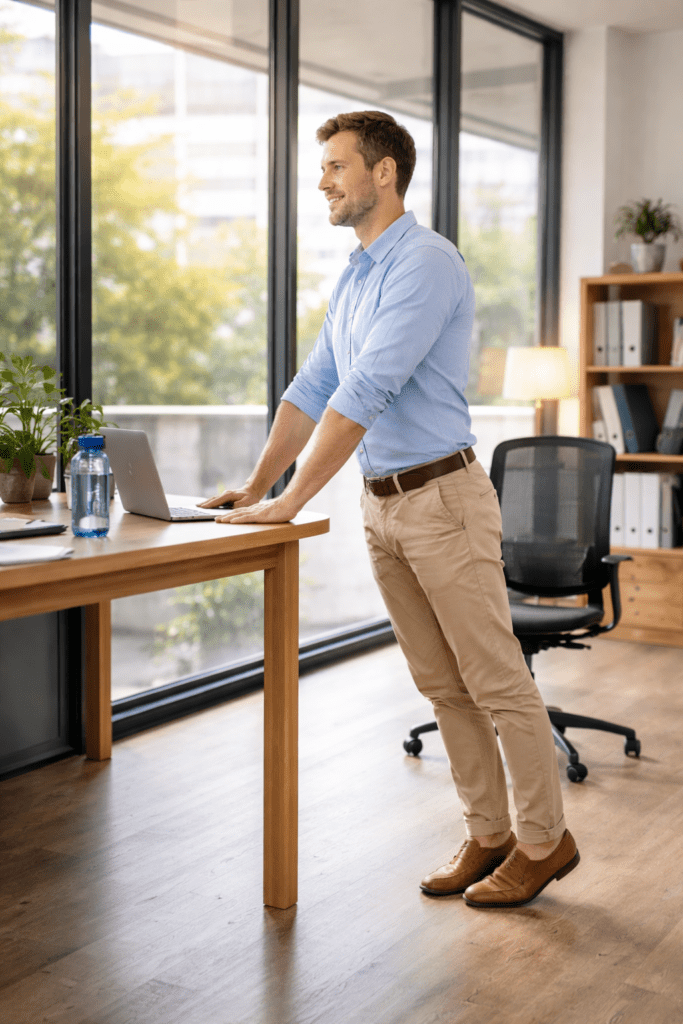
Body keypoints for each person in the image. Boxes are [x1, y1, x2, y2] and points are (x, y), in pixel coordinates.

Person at [199, 110, 579, 908]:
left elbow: (366, 390)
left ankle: (544, 841)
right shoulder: (355, 276)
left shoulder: (426, 263)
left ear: (383, 173)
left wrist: (294, 498)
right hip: (383, 505)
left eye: (335, 166)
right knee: (440, 684)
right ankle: (488, 833)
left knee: (494, 678)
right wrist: (259, 483)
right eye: (323, 168)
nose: (322, 182)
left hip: (441, 500)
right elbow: (312, 387)